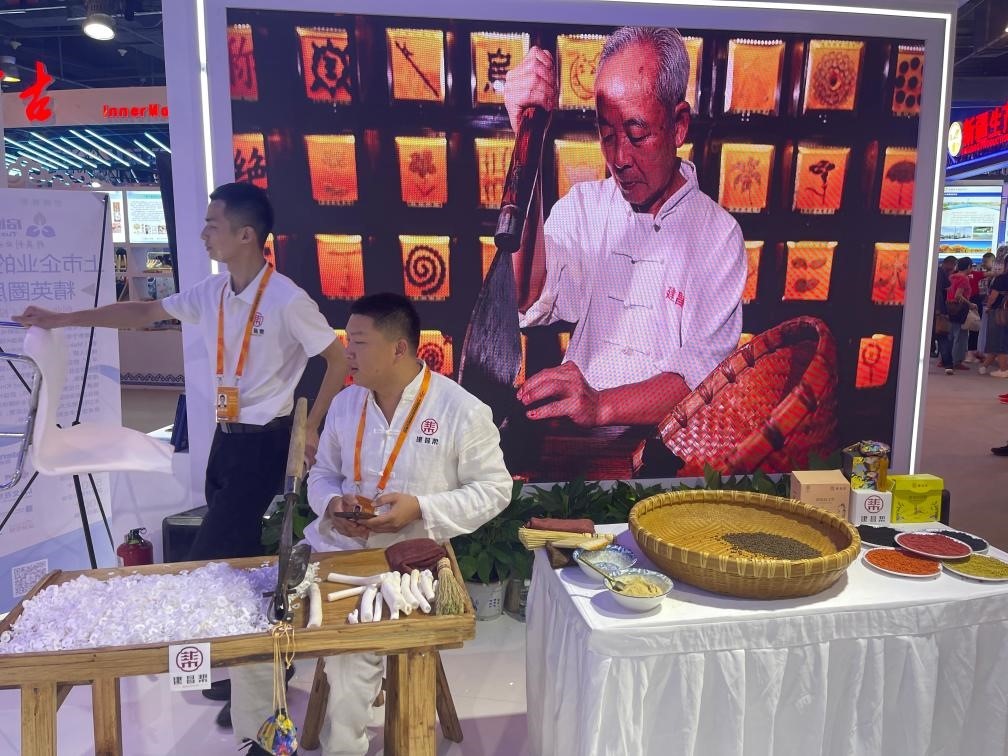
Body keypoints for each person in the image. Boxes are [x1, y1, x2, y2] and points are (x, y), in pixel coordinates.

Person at [15, 182, 348, 732]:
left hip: (264, 443)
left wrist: (311, 427)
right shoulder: (214, 292)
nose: (203, 234)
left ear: (247, 234)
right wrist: (62, 319)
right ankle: (250, 671)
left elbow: (337, 359)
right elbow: (143, 311)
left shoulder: (287, 299)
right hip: (225, 438)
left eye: (213, 224)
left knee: (214, 557)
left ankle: (264, 669)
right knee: (237, 561)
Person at [229, 293, 512, 756]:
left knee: (349, 657)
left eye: (359, 342)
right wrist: (332, 504)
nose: (348, 353)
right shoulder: (347, 404)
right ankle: (259, 737)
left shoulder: (460, 410)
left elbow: (495, 490)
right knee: (254, 621)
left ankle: (346, 749)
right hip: (333, 548)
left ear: (399, 348)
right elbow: (322, 474)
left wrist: (419, 507)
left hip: (404, 563)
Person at [502, 26, 745, 428]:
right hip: (576, 444)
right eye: (607, 134)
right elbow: (524, 292)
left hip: (666, 449)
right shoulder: (587, 207)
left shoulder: (718, 237)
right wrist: (527, 138)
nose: (619, 158)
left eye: (637, 134)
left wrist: (600, 405)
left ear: (679, 125)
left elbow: (702, 379)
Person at [944, 257, 975, 372]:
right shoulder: (964, 279)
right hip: (960, 309)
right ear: (968, 267)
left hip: (949, 307)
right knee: (960, 336)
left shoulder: (951, 276)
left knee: (950, 335)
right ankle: (956, 361)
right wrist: (970, 304)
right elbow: (958, 295)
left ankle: (945, 359)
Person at [935, 254, 957, 373]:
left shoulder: (936, 271)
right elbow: (948, 287)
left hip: (927, 307)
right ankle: (948, 364)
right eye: (953, 265)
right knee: (942, 336)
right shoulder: (942, 273)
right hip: (939, 308)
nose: (954, 268)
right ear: (949, 264)